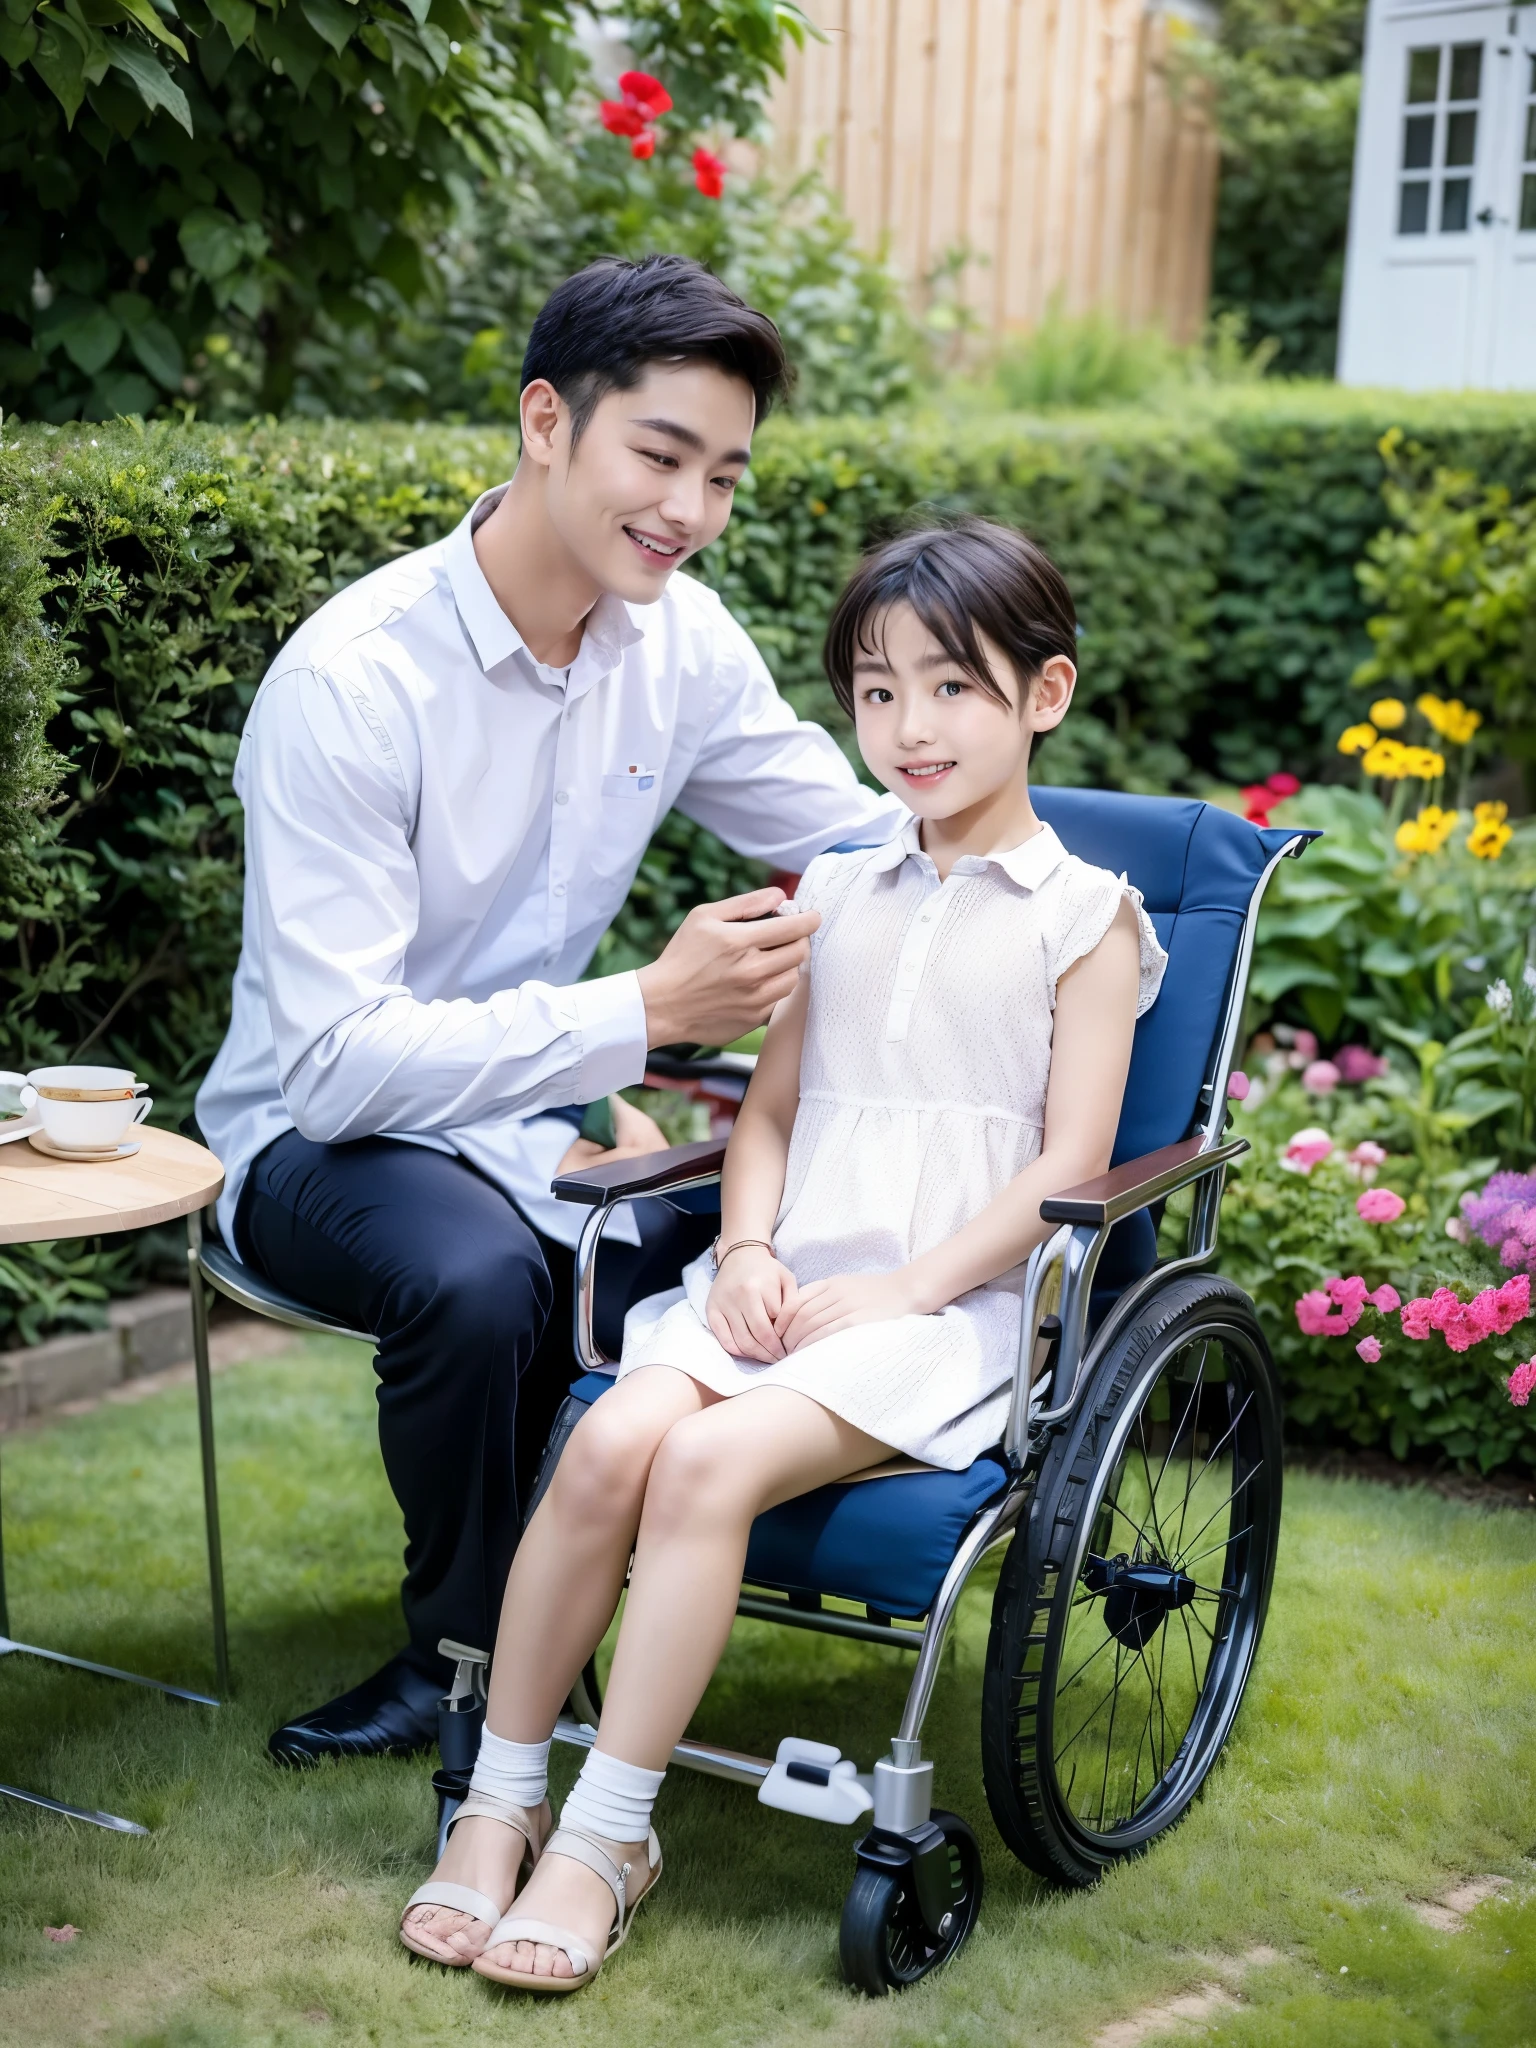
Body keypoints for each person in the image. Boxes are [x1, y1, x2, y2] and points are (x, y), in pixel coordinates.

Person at [397, 519, 1168, 1991]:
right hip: (787, 1276)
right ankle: (499, 1802)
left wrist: (906, 1286)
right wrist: (746, 1245)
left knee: (697, 1466)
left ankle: (609, 1833)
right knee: (615, 1435)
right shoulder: (840, 885)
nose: (909, 728)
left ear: (1044, 694)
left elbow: (1072, 1169)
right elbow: (770, 1111)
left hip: (953, 1307)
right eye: (876, 693)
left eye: (951, 689)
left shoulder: (1087, 919)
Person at [195, 254, 905, 1766]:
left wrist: (1029, 901)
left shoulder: (682, 644)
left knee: (726, 1235)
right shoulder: (354, 685)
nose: (692, 511)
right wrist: (642, 1015)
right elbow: (333, 1067)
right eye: (659, 456)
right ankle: (454, 1655)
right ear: (544, 422)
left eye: (725, 475)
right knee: (477, 1276)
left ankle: (602, 1584)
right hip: (319, 1136)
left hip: (534, 1120)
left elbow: (855, 832)